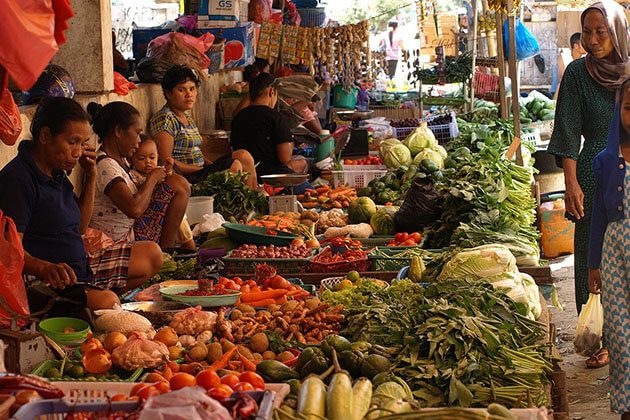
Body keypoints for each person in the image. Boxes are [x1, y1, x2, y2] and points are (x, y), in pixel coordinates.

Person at [0, 98, 162, 311]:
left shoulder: (55, 171)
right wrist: (44, 267)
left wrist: (91, 175)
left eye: (82, 143)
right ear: (46, 136)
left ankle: (92, 301)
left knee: (152, 254)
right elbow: (9, 253)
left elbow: (80, 229)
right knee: (108, 303)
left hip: (79, 265)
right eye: (72, 142)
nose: (77, 152)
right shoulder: (18, 179)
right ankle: (89, 305)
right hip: (44, 279)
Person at [548, 0, 630, 368]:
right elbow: (566, 130)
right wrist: (571, 182)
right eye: (588, 32)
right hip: (593, 174)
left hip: (627, 168)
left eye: (602, 31)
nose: (593, 40)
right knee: (592, 256)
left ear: (618, 32)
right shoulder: (578, 74)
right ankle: (598, 335)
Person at [87, 101, 191, 250]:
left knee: (176, 182)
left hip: (133, 230)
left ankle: (167, 251)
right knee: (179, 185)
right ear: (118, 131)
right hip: (121, 240)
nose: (139, 140)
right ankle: (165, 252)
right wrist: (153, 178)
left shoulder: (121, 160)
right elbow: (134, 209)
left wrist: (162, 174)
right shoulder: (105, 165)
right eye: (137, 133)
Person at [588, 79, 630, 419]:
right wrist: (593, 264)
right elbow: (598, 216)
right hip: (615, 255)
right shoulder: (606, 160)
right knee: (619, 337)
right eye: (629, 108)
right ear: (618, 111)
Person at [149, 65, 257, 189]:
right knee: (234, 165)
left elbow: (195, 151)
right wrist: (199, 169)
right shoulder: (165, 119)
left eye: (192, 89)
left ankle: (252, 201)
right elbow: (165, 161)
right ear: (168, 93)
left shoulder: (186, 115)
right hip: (187, 177)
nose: (188, 94)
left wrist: (210, 165)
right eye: (181, 90)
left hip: (200, 170)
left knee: (243, 155)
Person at [231, 73, 308, 179]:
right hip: (272, 177)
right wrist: (291, 143)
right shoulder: (276, 118)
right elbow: (285, 159)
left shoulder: (238, 117)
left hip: (244, 175)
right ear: (272, 92)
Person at [130, 134, 196, 250]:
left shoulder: (157, 171)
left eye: (152, 157)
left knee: (181, 215)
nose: (148, 162)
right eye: (141, 158)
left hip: (160, 208)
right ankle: (183, 247)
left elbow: (169, 182)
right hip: (147, 214)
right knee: (179, 215)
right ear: (132, 159)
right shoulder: (134, 176)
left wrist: (169, 170)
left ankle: (189, 246)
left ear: (158, 157)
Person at [552, 32, 586, 100]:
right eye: (583, 44)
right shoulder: (563, 57)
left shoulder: (586, 58)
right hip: (564, 90)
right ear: (576, 46)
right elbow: (561, 79)